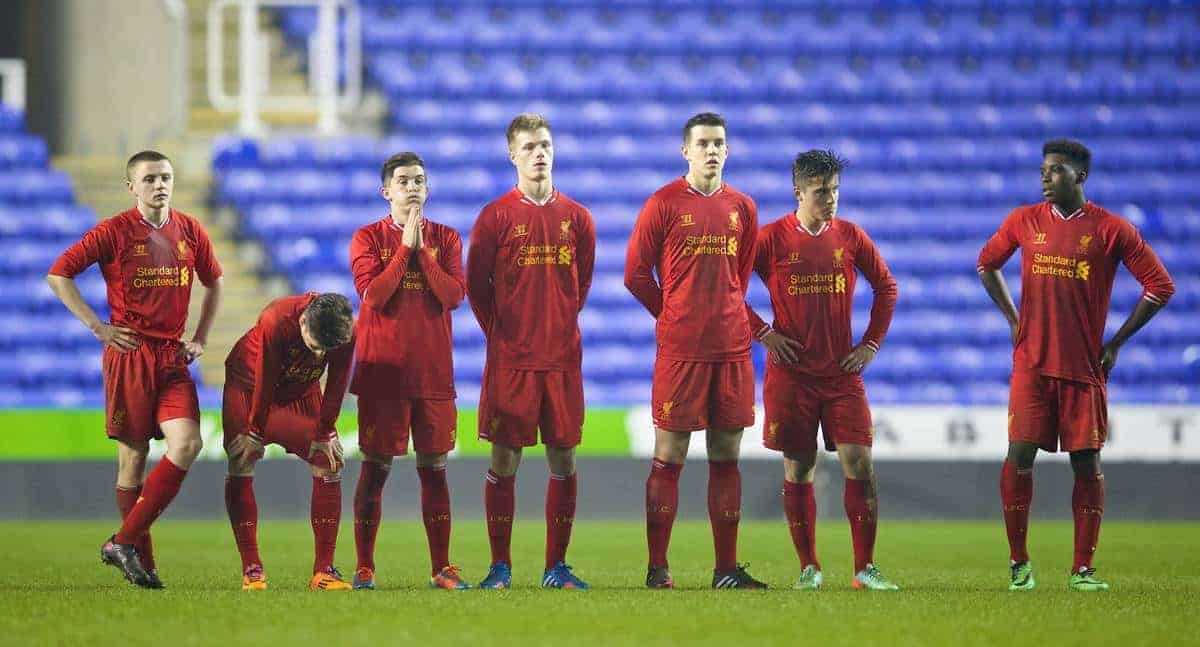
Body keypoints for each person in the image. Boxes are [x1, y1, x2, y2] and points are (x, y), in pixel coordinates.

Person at [977, 139, 1175, 592]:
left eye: (1057, 170)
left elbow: (1160, 286)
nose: (1046, 177)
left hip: (1084, 367)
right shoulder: (1024, 221)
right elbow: (987, 264)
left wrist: (1117, 342)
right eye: (1044, 170)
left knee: (1086, 463)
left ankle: (1082, 570)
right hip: (1031, 362)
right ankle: (1018, 564)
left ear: (1080, 177)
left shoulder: (1110, 229)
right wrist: (1013, 319)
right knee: (1018, 456)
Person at [47, 150, 222, 589]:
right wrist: (97, 327)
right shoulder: (114, 232)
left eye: (165, 177)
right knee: (133, 462)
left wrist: (199, 336)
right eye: (149, 179)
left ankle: (121, 542)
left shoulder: (190, 230)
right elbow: (59, 274)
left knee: (187, 443)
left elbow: (214, 281)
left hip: (172, 358)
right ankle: (144, 562)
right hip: (130, 355)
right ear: (132, 187)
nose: (159, 184)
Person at [745, 150, 900, 591]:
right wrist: (764, 332)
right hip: (791, 375)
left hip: (841, 375)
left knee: (860, 461)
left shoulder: (850, 236)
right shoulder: (771, 239)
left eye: (834, 190)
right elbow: (729, 287)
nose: (829, 199)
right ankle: (809, 567)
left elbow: (887, 287)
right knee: (799, 467)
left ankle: (864, 568)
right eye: (820, 192)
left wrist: (870, 344)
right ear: (798, 192)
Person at [624, 112, 762, 589]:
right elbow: (635, 273)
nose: (711, 150)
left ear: (728, 149)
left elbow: (739, 280)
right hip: (681, 351)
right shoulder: (663, 204)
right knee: (671, 452)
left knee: (727, 454)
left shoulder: (743, 208)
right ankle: (657, 567)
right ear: (686, 150)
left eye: (718, 143)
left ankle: (725, 569)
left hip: (731, 349)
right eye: (702, 143)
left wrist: (722, 312)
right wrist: (672, 313)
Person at [466, 113, 596, 589]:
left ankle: (555, 566)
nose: (539, 153)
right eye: (529, 147)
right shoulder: (495, 216)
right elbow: (476, 285)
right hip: (512, 361)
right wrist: (502, 334)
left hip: (562, 360)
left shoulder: (578, 219)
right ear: (512, 155)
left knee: (564, 460)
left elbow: (578, 284)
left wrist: (557, 324)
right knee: (504, 462)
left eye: (545, 145)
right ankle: (500, 567)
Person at [348, 152, 470, 590]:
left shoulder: (448, 239)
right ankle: (365, 567)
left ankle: (442, 567)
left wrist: (424, 255)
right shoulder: (366, 238)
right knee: (375, 468)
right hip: (384, 375)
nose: (413, 187)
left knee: (435, 469)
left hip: (434, 374)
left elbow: (454, 295)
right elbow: (375, 297)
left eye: (419, 179)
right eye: (403, 181)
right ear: (387, 191)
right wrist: (405, 250)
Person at [222, 292, 355, 591]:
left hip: (302, 390)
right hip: (249, 384)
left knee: (328, 460)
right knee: (241, 459)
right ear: (303, 320)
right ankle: (252, 570)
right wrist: (255, 432)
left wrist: (325, 432)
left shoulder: (346, 329)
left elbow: (337, 383)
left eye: (326, 350)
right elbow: (265, 376)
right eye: (315, 347)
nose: (320, 355)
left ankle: (324, 572)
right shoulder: (275, 319)